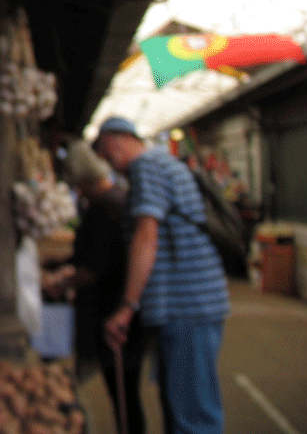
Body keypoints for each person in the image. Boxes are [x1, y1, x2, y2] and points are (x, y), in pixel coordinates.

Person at [95, 117, 230, 434]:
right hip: (188, 305)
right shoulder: (160, 163)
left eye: (104, 152)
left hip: (188, 306)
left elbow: (146, 235)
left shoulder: (148, 166)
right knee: (182, 407)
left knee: (193, 417)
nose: (106, 162)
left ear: (116, 141)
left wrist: (127, 307)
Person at [44, 140, 147, 434]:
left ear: (83, 180)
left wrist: (62, 282)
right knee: (125, 392)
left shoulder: (103, 210)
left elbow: (93, 269)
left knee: (123, 394)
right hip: (124, 312)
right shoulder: (119, 199)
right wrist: (61, 262)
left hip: (112, 314)